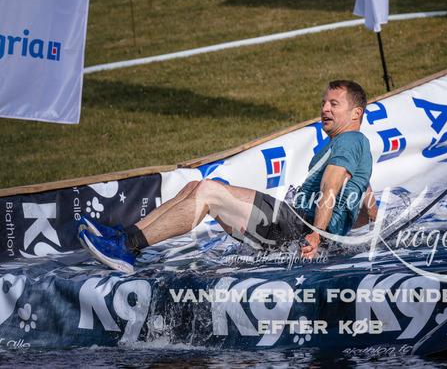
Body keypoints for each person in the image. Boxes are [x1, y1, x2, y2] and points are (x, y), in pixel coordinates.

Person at [78, 80, 378, 273]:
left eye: (334, 104)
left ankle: (127, 249)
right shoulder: (355, 147)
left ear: (356, 113)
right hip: (297, 227)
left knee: (208, 192)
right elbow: (368, 210)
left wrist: (317, 235)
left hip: (298, 227)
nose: (324, 109)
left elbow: (330, 187)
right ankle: (124, 236)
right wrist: (337, 237)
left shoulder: (349, 141)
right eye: (323, 103)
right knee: (196, 186)